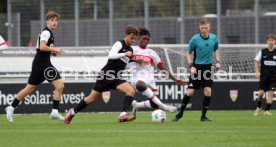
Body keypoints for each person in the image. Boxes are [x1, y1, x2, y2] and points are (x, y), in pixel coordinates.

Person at [64, 25, 139, 124]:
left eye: (135, 38)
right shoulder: (119, 44)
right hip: (105, 75)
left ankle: (123, 114)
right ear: (126, 35)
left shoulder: (131, 50)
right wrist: (124, 54)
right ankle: (73, 111)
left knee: (130, 91)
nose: (133, 40)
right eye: (131, 37)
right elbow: (111, 55)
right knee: (91, 99)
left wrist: (136, 63)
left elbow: (124, 64)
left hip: (116, 77)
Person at [5, 11, 64, 123]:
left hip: (40, 63)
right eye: (52, 20)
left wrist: (52, 52)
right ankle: (54, 112)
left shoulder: (49, 33)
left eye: (56, 20)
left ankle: (11, 107)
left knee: (30, 88)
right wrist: (55, 49)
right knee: (59, 85)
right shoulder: (46, 33)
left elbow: (43, 48)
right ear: (47, 21)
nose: (54, 22)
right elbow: (42, 47)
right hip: (43, 64)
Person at [127, 27, 186, 116]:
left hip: (150, 79)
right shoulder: (132, 49)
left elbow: (162, 67)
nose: (146, 40)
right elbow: (125, 59)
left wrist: (174, 79)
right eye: (144, 38)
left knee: (154, 104)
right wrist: (136, 60)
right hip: (136, 77)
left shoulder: (152, 53)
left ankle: (137, 105)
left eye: (148, 39)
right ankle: (163, 106)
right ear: (139, 38)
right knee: (140, 84)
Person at [172, 18, 220, 122]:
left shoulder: (214, 38)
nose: (204, 30)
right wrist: (191, 65)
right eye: (202, 28)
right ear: (199, 27)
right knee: (190, 92)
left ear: (209, 27)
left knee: (208, 91)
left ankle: (203, 116)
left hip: (208, 67)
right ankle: (180, 114)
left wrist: (217, 62)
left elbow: (215, 50)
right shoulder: (194, 39)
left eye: (206, 28)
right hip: (197, 67)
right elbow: (188, 53)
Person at [253, 34, 276, 116]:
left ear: (275, 42)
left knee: (270, 94)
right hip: (264, 77)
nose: (270, 41)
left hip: (273, 78)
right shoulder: (262, 51)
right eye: (269, 40)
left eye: (272, 40)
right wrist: (256, 72)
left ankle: (267, 110)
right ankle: (259, 107)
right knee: (260, 94)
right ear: (267, 41)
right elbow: (256, 61)